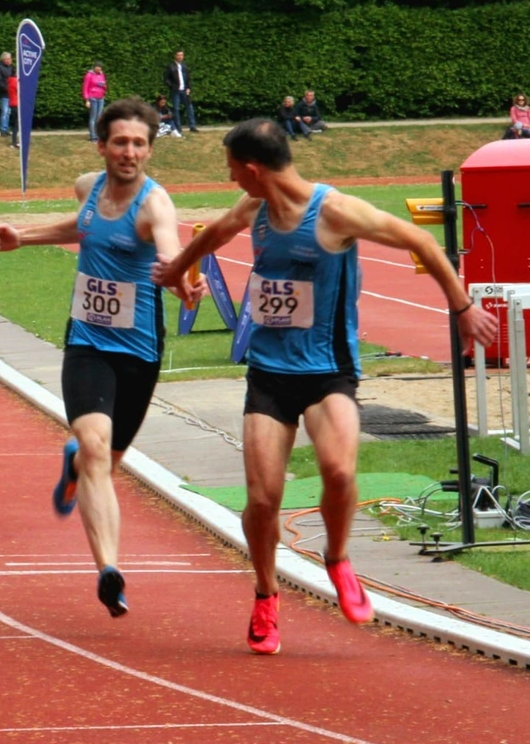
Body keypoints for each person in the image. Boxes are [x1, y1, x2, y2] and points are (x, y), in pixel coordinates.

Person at [152, 117, 499, 655]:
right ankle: (266, 595)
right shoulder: (254, 209)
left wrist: (461, 307)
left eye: (232, 172)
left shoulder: (336, 212)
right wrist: (178, 273)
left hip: (327, 373)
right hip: (269, 373)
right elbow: (215, 234)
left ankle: (337, 559)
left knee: (339, 471)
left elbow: (421, 243)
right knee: (262, 501)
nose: (232, 182)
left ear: (252, 168)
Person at [0, 97, 197, 618]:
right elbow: (82, 227)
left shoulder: (154, 206)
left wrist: (181, 282)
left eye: (139, 144)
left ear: (149, 151)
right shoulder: (88, 187)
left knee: (108, 460)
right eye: (120, 142)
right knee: (98, 449)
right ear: (103, 146)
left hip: (139, 353)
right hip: (87, 343)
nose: (129, 152)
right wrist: (23, 237)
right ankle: (109, 570)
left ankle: (75, 462)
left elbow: (170, 252)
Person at [163, 50, 198, 133]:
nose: (180, 57)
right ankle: (178, 127)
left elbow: (188, 78)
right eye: (178, 55)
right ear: (175, 56)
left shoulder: (184, 66)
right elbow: (166, 79)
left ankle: (192, 126)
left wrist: (189, 88)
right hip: (176, 91)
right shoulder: (171, 67)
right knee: (176, 109)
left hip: (185, 90)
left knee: (189, 108)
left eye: (181, 55)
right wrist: (172, 86)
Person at [82, 62, 107, 142]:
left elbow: (105, 87)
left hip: (101, 98)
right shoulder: (89, 75)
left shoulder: (102, 75)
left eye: (100, 68)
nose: (98, 69)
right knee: (93, 117)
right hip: (93, 98)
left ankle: (98, 135)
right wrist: (87, 100)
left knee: (99, 117)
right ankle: (93, 136)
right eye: (97, 67)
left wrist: (104, 86)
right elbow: (85, 87)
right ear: (94, 67)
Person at [0, 51, 13, 136]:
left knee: (8, 112)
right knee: (4, 111)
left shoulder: (11, 68)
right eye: (8, 59)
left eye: (10, 58)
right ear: (4, 59)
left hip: (11, 92)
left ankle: (6, 129)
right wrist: (6, 88)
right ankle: (3, 130)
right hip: (4, 93)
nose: (10, 60)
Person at [8, 73, 20, 149]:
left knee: (15, 124)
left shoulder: (10, 82)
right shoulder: (15, 82)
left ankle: (14, 142)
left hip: (12, 104)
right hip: (17, 104)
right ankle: (14, 142)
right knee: (18, 124)